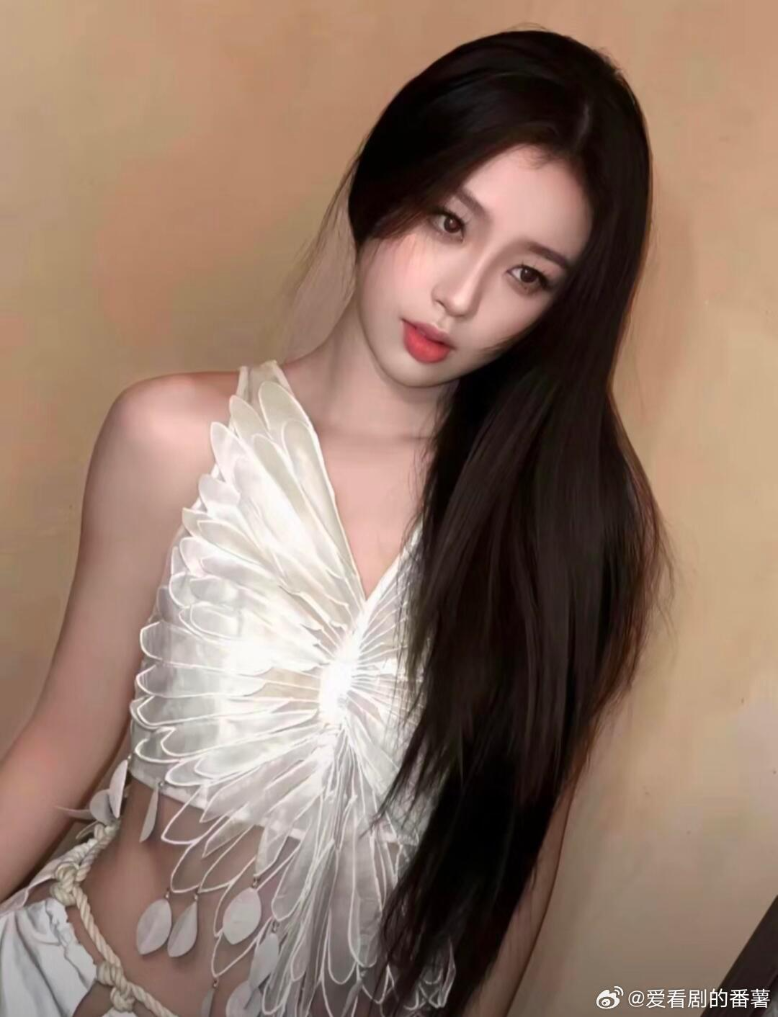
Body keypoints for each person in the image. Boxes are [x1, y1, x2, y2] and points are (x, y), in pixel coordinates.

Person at [0, 25, 675, 1017]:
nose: (458, 296)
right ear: (388, 182)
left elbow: (515, 872)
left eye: (527, 274)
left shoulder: (569, 535)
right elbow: (60, 744)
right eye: (449, 221)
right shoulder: (174, 441)